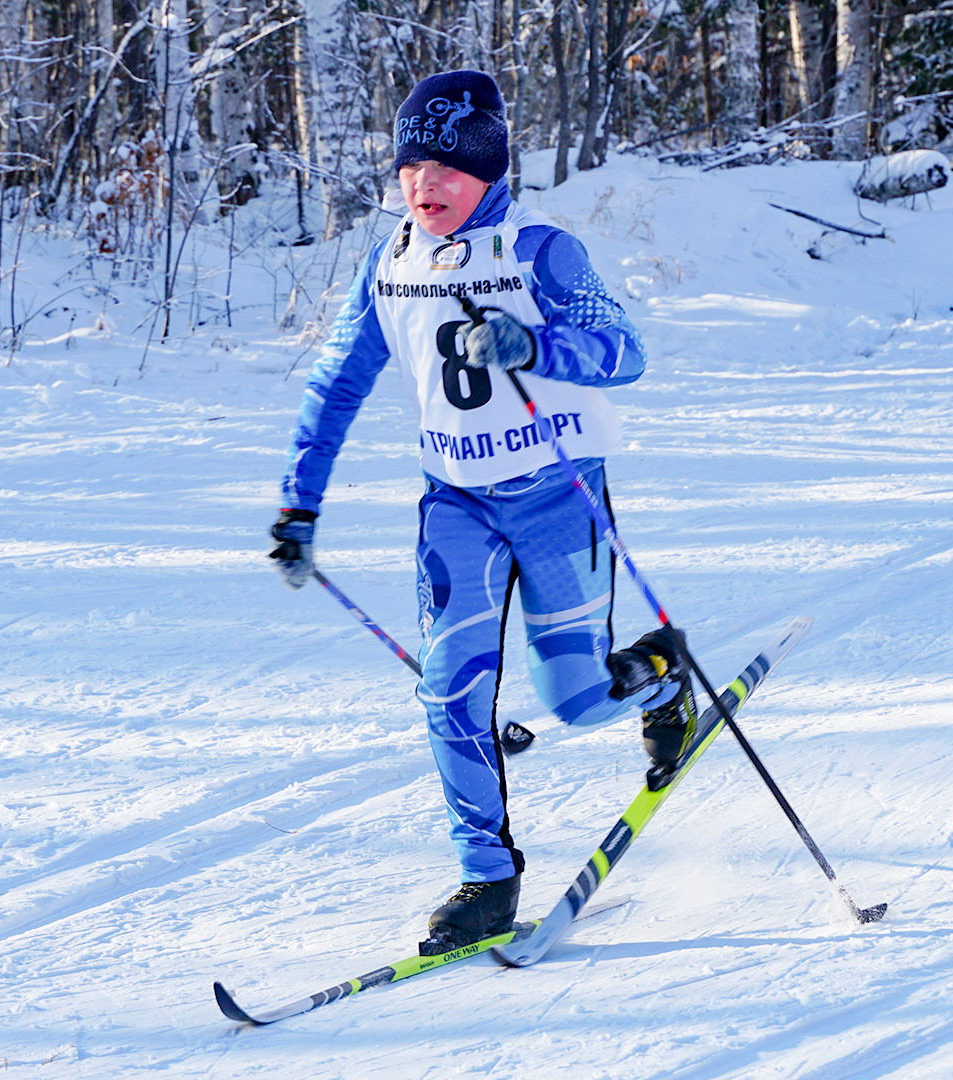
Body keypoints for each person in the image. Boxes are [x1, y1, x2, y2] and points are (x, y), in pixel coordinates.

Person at [266, 70, 696, 955]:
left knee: (573, 700)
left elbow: (625, 353)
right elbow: (337, 384)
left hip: (554, 495)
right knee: (449, 688)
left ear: (490, 170)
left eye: (447, 165)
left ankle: (659, 675)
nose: (424, 182)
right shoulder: (390, 261)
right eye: (410, 163)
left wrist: (535, 342)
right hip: (455, 503)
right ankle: (487, 877)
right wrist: (299, 506)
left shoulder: (540, 250)